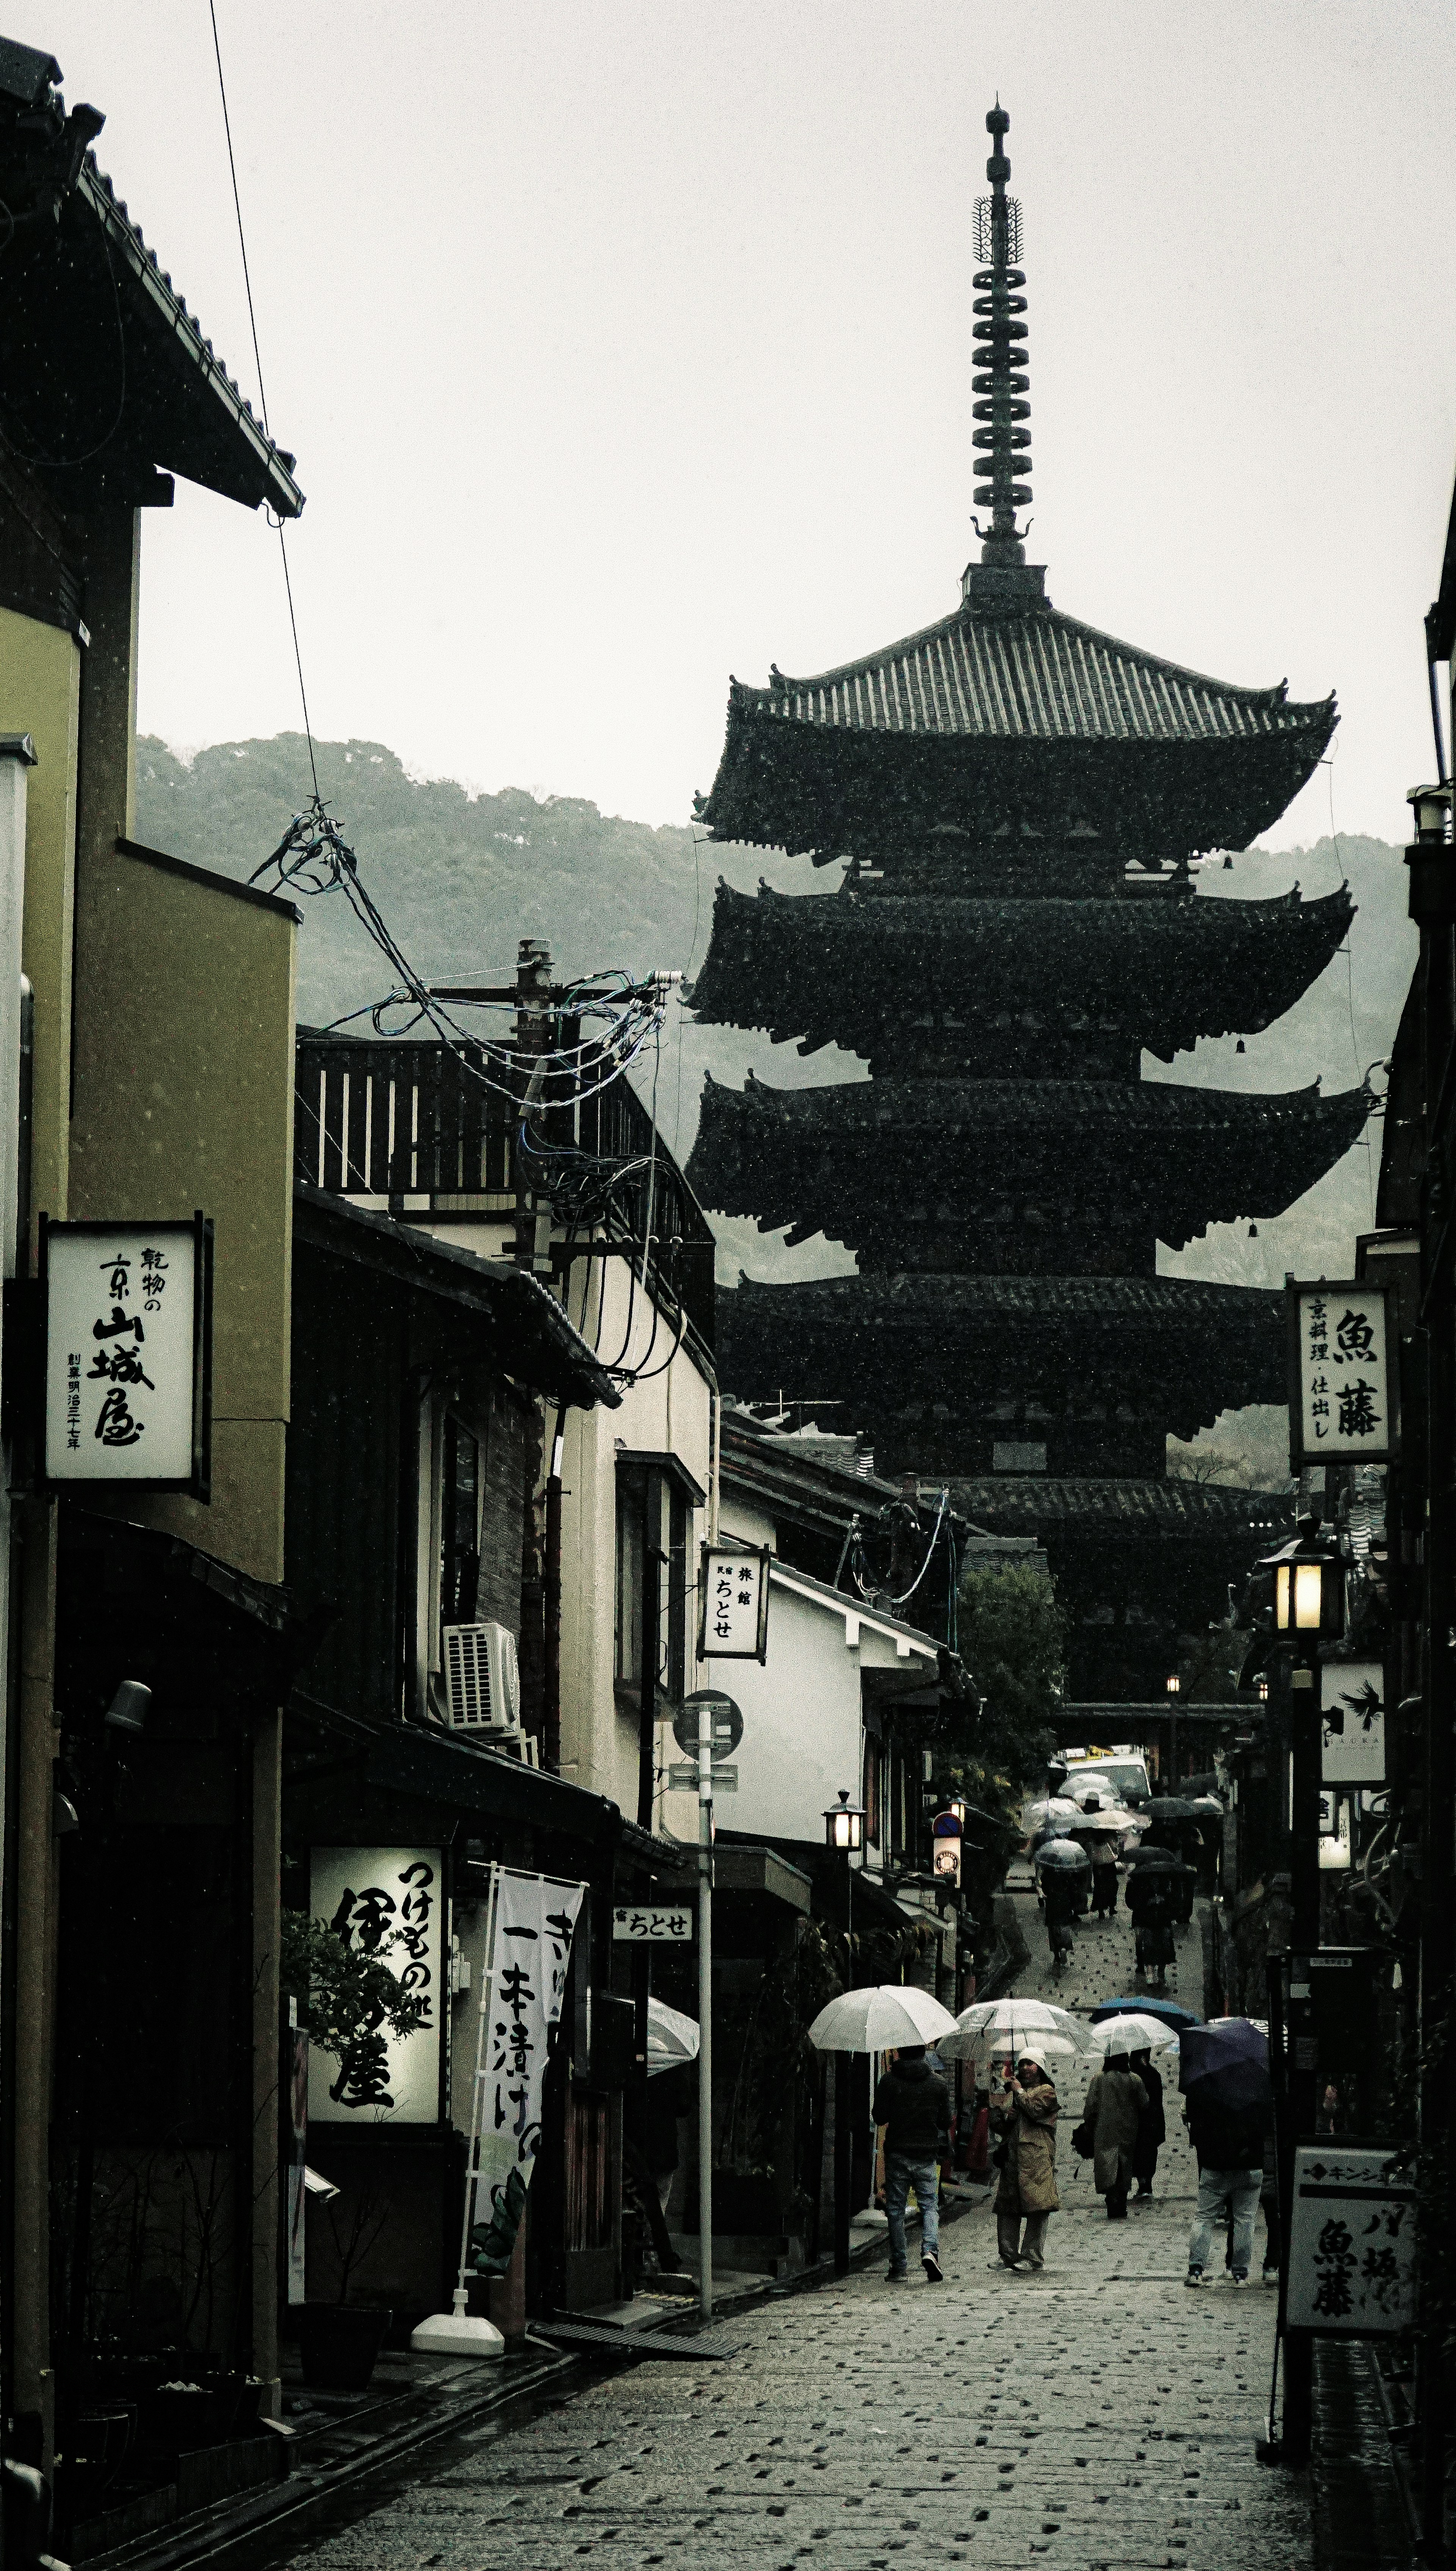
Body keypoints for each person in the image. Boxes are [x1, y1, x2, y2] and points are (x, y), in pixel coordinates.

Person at [872, 2042, 951, 2284]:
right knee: (929, 2206)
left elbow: (879, 2117)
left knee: (896, 2210)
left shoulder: (889, 2081)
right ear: (923, 2053)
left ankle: (899, 2266)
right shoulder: (938, 2083)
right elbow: (945, 2122)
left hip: (898, 2152)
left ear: (898, 2053)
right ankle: (930, 2251)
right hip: (927, 2154)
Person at [1183, 2071, 1271, 2288]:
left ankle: (1196, 2270)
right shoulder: (1258, 2087)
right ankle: (1240, 2273)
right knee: (1245, 2220)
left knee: (1205, 2217)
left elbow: (1195, 2122)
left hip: (1216, 2164)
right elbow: (1267, 2125)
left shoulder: (1208, 2086)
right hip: (1250, 2164)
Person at [989, 2053, 1060, 2270]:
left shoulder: (1047, 2093)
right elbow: (1001, 2129)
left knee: (1037, 2207)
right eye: (1022, 2064)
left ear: (1040, 2067)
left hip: (1036, 2160)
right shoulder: (1015, 2094)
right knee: (1008, 2207)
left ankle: (1032, 2257)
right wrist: (1003, 2116)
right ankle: (1009, 2255)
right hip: (1013, 2158)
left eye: (1031, 2063)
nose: (1026, 2068)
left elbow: (1034, 2110)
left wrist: (1018, 2092)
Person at [1081, 2054, 1145, 2218]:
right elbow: (1144, 2103)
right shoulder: (1134, 2079)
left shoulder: (1099, 2080)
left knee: (1107, 2165)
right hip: (1128, 2130)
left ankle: (1112, 2196)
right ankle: (1122, 2197)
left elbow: (1090, 2108)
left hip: (1104, 2130)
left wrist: (1090, 2127)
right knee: (1124, 2163)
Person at [1128, 2046, 1165, 2202]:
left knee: (1141, 2152)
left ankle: (1144, 2183)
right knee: (1147, 2152)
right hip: (1152, 2121)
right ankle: (1145, 2183)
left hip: (1144, 2121)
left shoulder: (1137, 2075)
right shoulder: (1152, 2074)